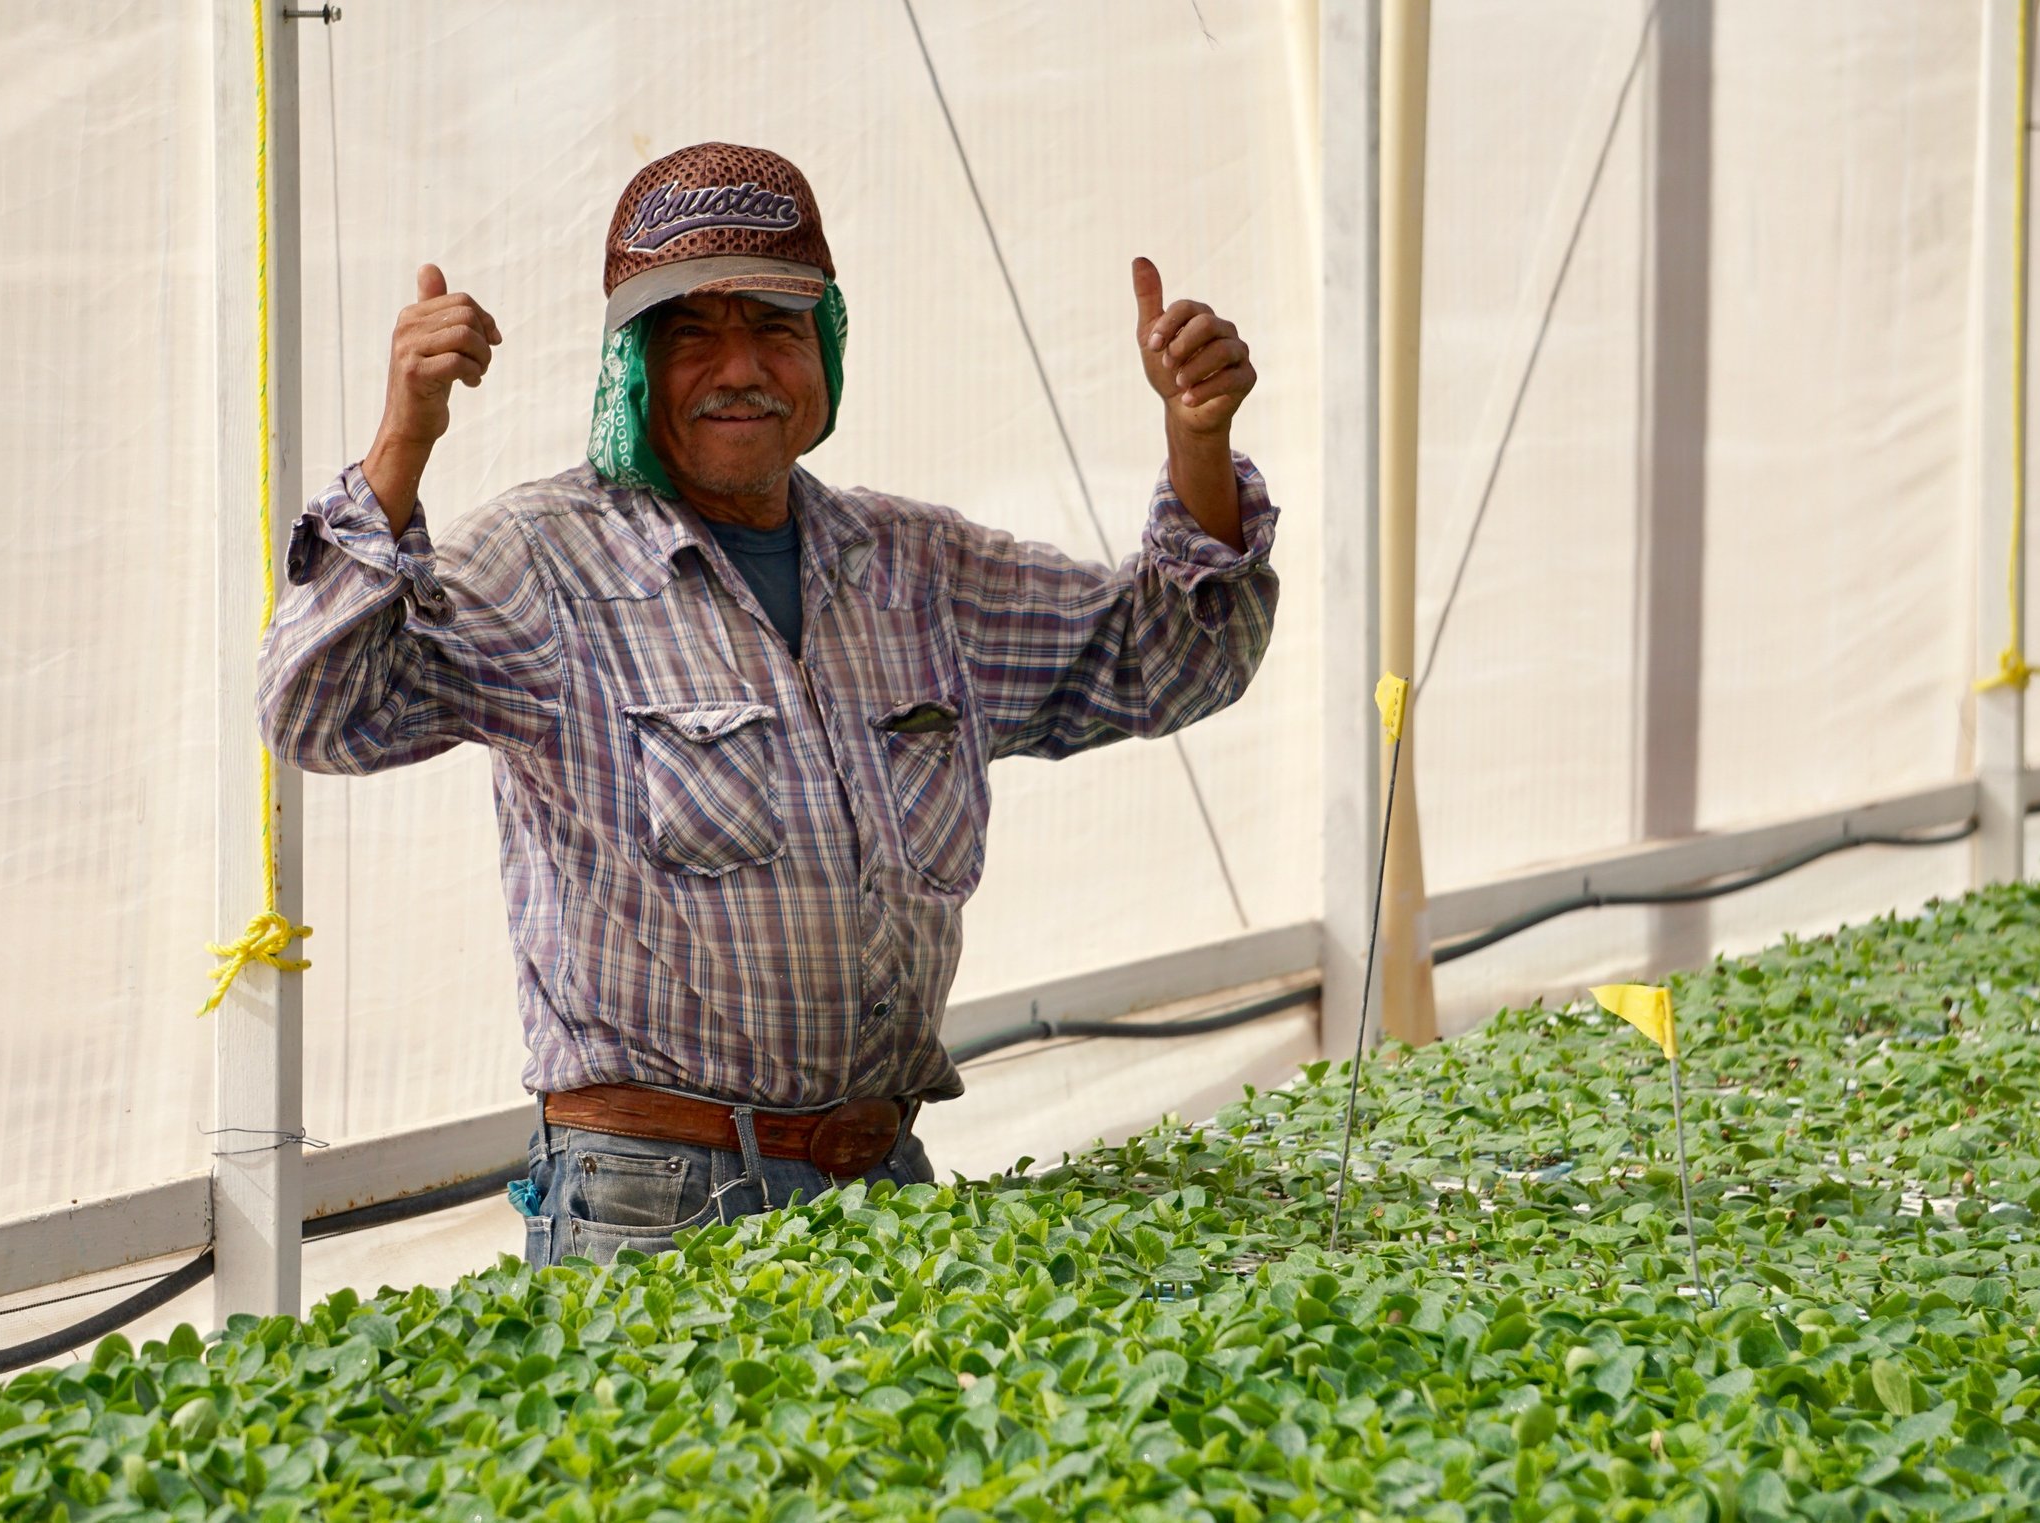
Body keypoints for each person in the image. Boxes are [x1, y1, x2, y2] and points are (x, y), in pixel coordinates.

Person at [260, 143, 1277, 1267]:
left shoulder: (913, 566)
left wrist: (1197, 439)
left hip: (883, 1186)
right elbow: (318, 713)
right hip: (649, 1209)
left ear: (826, 353)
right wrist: (403, 440)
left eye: (778, 328)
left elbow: (1173, 656)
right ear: (633, 367)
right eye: (693, 331)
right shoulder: (544, 561)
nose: (739, 366)